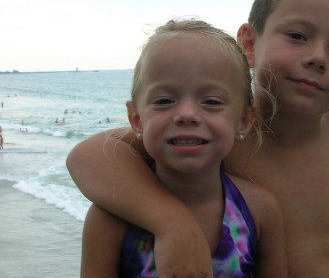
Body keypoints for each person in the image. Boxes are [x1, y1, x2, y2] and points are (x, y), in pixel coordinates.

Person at [67, 0, 329, 277]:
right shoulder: (221, 133)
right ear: (249, 44)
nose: (318, 57)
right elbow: (88, 156)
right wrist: (172, 223)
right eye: (297, 35)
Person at [79, 19, 286, 277]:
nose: (186, 114)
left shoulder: (259, 211)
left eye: (211, 101)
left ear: (244, 120)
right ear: (137, 119)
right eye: (164, 100)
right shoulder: (110, 219)